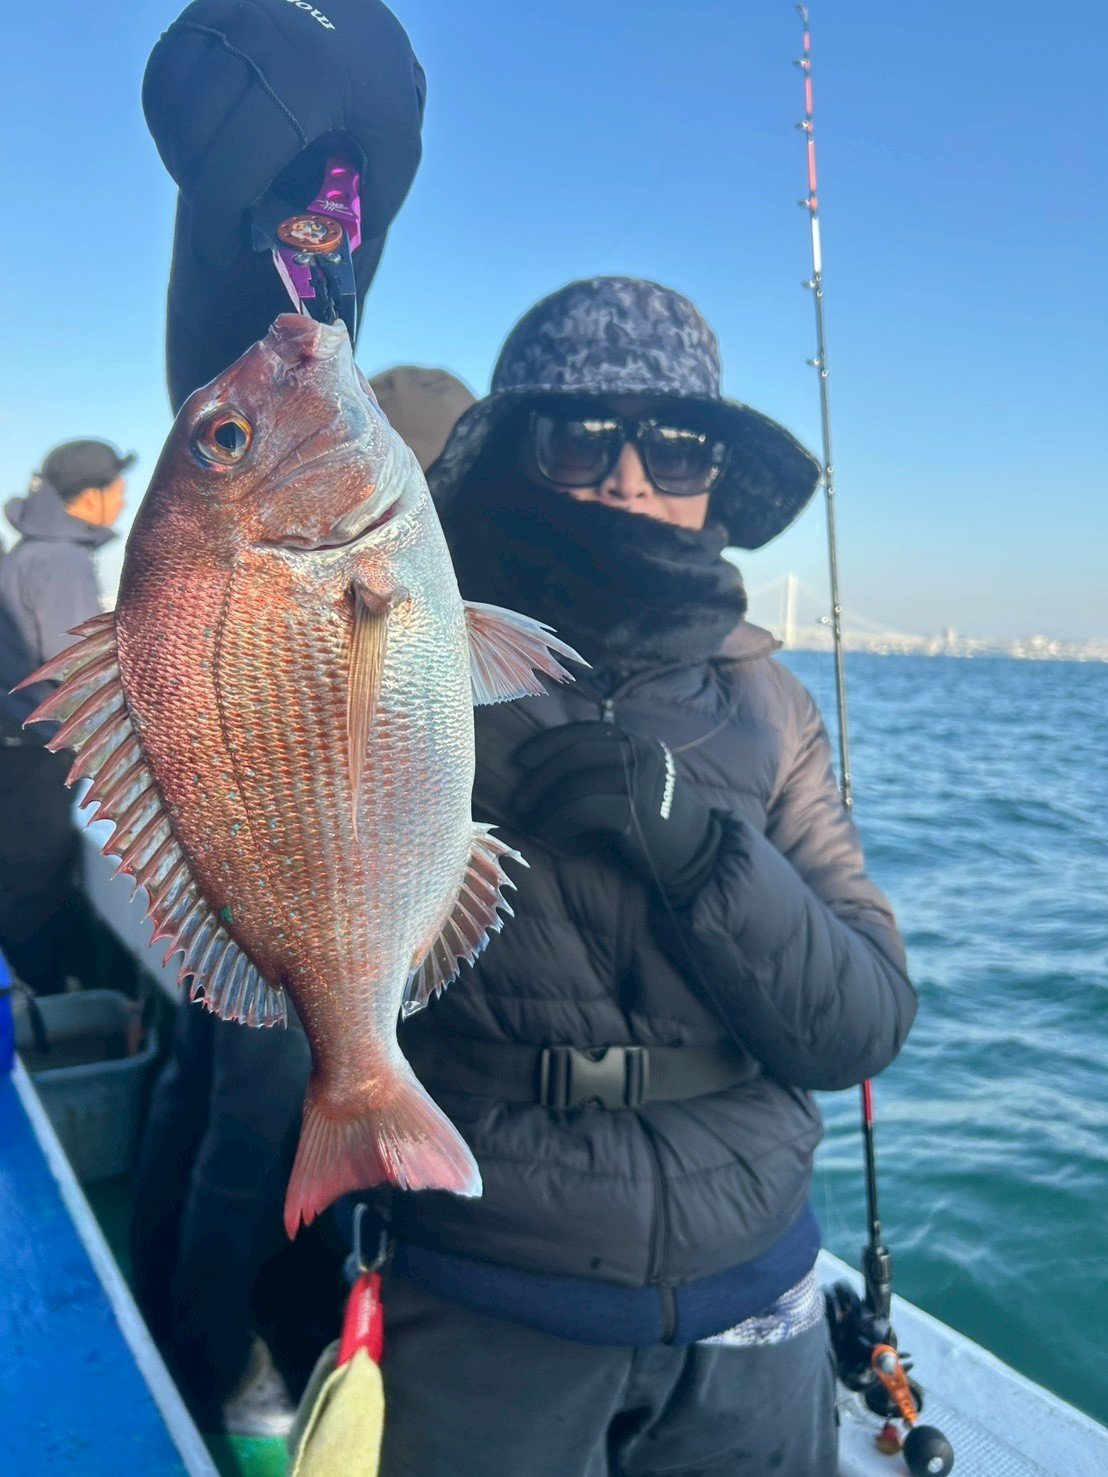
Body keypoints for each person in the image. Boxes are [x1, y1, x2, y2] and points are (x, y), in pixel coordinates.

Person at [368, 276, 919, 1477]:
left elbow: (863, 1022)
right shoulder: (402, 659)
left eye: (676, 446)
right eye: (578, 438)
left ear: (714, 480)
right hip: (484, 1280)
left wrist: (704, 850)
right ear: (511, 460)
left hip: (754, 1292)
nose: (629, 478)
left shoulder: (772, 707)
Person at [0, 440, 133, 994]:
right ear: (90, 495)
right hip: (36, 755)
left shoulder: (30, 552)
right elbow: (80, 674)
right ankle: (44, 1003)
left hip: (15, 749)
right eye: (117, 487)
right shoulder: (62, 559)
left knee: (20, 879)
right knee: (34, 887)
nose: (123, 498)